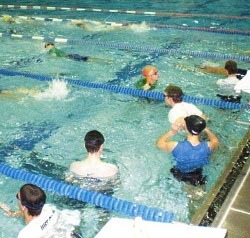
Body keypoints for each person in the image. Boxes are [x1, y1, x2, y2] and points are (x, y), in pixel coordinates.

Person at [156, 115, 219, 186]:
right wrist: (206, 129)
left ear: (187, 129)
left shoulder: (176, 146)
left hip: (180, 174)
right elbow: (215, 141)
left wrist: (172, 132)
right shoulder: (208, 146)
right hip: (198, 173)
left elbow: (159, 144)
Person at [0, 183, 81, 238]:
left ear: (23, 206)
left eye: (17, 197)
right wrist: (12, 213)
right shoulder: (49, 208)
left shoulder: (26, 234)